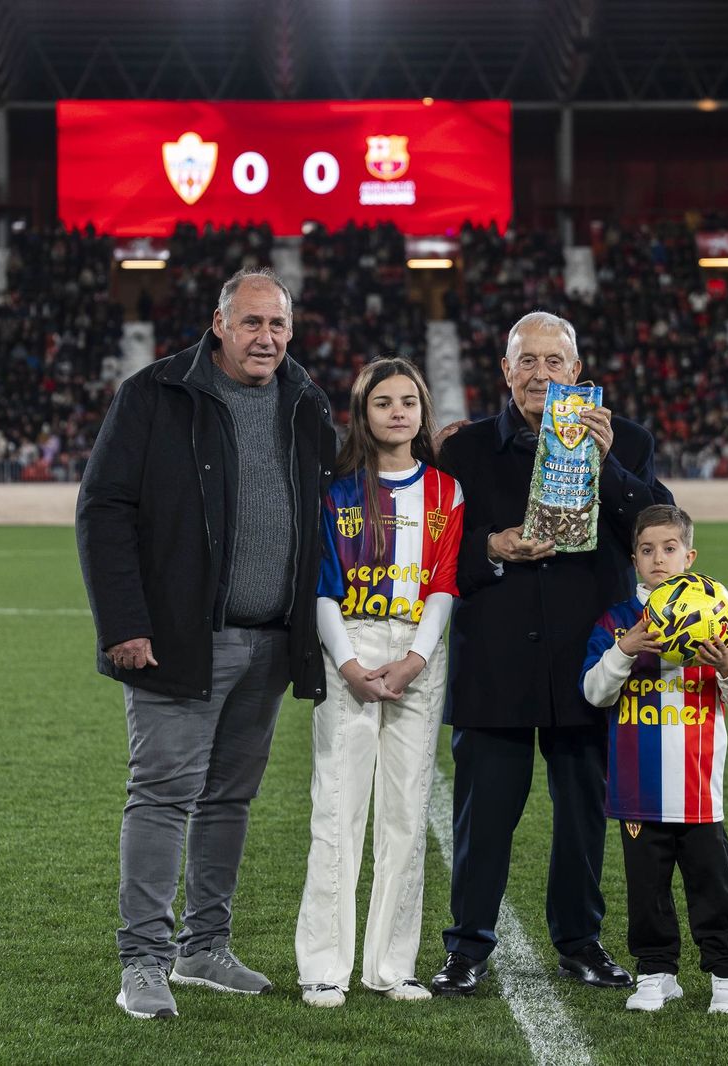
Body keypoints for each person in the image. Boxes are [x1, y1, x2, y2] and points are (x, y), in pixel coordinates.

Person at [76, 267, 336, 1020]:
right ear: (218, 323)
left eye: (278, 326)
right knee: (162, 797)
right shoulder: (155, 394)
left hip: (269, 644)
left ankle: (203, 948)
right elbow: (103, 511)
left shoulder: (306, 400)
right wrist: (125, 622)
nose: (267, 338)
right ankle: (144, 963)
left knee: (229, 801)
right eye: (252, 323)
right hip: (178, 642)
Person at [430, 310, 674, 996]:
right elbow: (436, 554)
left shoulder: (625, 439)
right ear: (505, 372)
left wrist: (610, 468)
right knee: (482, 821)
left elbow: (660, 536)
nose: (542, 373)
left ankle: (581, 942)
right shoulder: (465, 451)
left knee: (583, 820)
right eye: (527, 361)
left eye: (554, 361)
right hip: (495, 664)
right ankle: (468, 947)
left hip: (589, 665)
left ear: (578, 370)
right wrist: (489, 547)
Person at [295, 357, 465, 1008]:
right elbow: (322, 585)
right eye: (383, 402)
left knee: (404, 815)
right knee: (338, 810)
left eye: (410, 402)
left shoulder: (447, 492)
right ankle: (324, 967)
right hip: (353, 650)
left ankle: (392, 967)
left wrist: (418, 657)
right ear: (362, 414)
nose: (398, 412)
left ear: (423, 413)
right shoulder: (336, 491)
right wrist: (347, 664)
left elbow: (444, 581)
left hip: (418, 652)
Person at [580, 504, 728, 1014]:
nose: (658, 559)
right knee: (646, 889)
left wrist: (727, 665)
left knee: (714, 884)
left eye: (669, 548)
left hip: (699, 787)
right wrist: (624, 649)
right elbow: (594, 693)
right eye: (646, 550)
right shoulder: (618, 620)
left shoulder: (714, 616)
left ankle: (727, 975)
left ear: (689, 555)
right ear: (634, 558)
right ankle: (656, 972)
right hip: (639, 788)